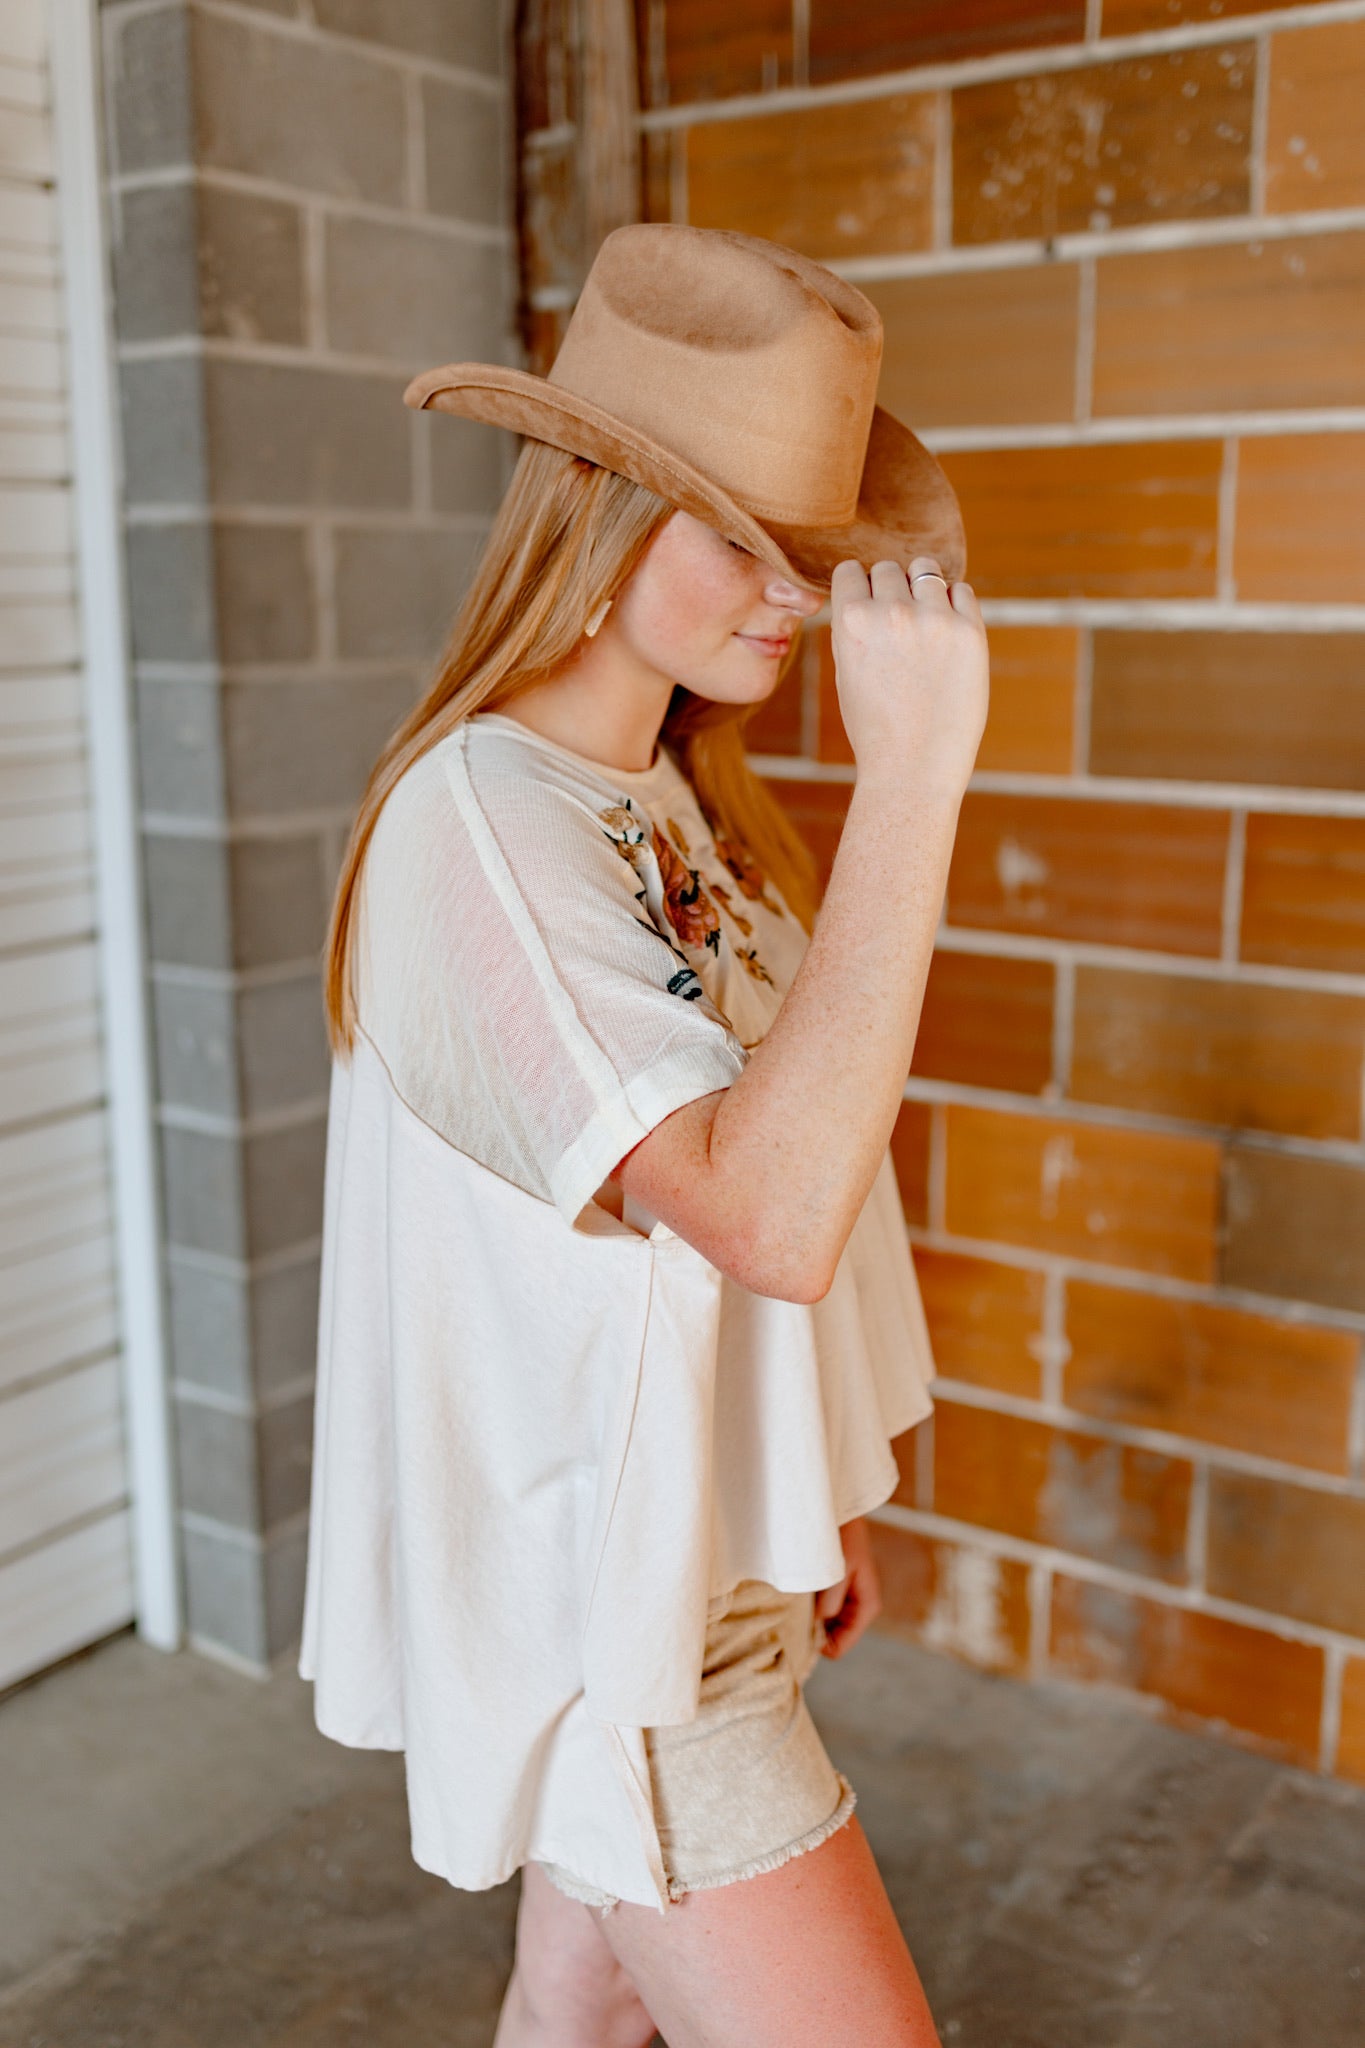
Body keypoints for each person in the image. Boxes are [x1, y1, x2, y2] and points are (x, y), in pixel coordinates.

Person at [298, 223, 989, 2048]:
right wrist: (916, 773)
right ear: (598, 511)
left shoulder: (673, 788)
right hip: (621, 1625)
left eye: (817, 553)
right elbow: (761, 1214)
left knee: (577, 2016)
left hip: (687, 1556)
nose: (802, 597)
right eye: (747, 538)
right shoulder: (481, 829)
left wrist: (799, 1490)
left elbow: (769, 1178)